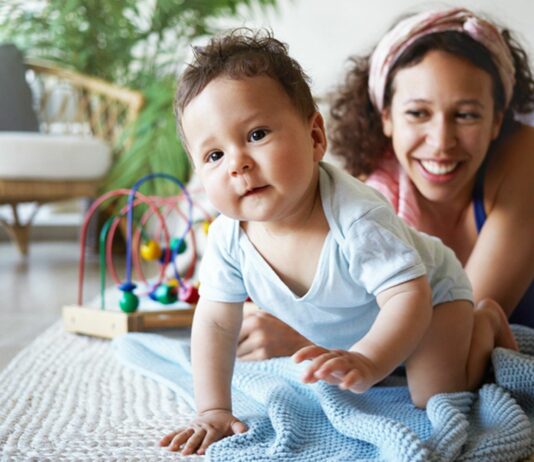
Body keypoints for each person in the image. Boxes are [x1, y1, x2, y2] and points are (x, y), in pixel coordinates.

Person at [159, 28, 517, 455]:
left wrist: (369, 359)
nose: (238, 164)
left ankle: (483, 322)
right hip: (366, 319)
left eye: (257, 135)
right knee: (382, 370)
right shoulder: (227, 237)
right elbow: (216, 321)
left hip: (432, 296)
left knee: (433, 393)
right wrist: (213, 408)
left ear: (315, 137)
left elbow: (409, 296)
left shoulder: (357, 217)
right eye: (214, 155)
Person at [237, 7, 534, 361]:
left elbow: (458, 339)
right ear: (387, 117)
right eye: (418, 113)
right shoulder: (363, 205)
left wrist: (310, 344)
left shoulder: (524, 155)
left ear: (497, 120)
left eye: (466, 115)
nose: (441, 142)